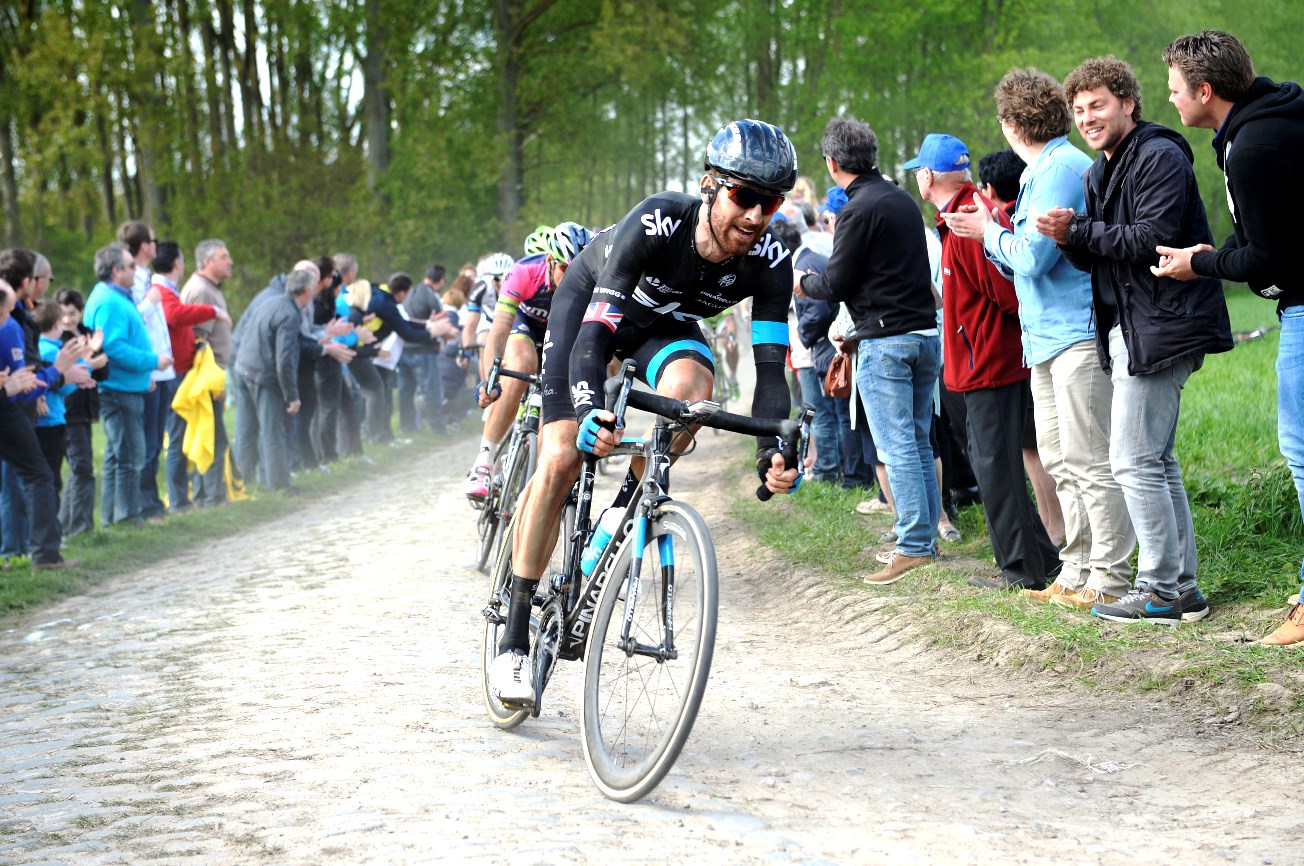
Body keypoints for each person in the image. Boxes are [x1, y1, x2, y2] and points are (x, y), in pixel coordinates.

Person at [487, 119, 801, 707]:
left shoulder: (773, 257)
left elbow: (769, 367)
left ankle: (624, 509)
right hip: (590, 311)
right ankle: (515, 638)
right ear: (710, 186)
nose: (758, 216)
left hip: (663, 323)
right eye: (745, 197)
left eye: (772, 201)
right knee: (559, 456)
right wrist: (587, 411)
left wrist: (771, 450)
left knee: (694, 394)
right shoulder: (657, 220)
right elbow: (591, 340)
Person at [1038, 55, 1232, 624]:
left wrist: (1078, 230)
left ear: (1127, 102)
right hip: (1131, 326)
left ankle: (1160, 590)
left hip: (1164, 323)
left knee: (1132, 460)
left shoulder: (1160, 154)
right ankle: (1181, 589)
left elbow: (1151, 240)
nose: (1088, 118)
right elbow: (1101, 253)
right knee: (1155, 460)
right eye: (1078, 110)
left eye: (1098, 104)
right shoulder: (1101, 171)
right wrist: (1069, 238)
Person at [943, 66, 1135, 612]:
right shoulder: (1040, 171)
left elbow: (1031, 257)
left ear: (1010, 123)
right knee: (1057, 458)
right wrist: (1001, 235)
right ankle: (1075, 569)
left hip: (1073, 334)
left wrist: (990, 234)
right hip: (1044, 340)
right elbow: (1022, 261)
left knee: (1088, 459)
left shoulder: (1058, 169)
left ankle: (1111, 576)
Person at [1150, 30, 1304, 641]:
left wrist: (1200, 264)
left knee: (1301, 451)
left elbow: (1266, 258)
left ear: (1205, 91)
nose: (1172, 103)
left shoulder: (1254, 147)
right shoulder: (1277, 119)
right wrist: (1217, 252)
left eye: (1174, 91)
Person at [795, 117, 941, 586]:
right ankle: (922, 538)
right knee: (917, 442)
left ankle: (914, 546)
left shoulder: (858, 209)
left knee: (897, 445)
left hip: (885, 341)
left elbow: (836, 282)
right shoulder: (900, 198)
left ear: (832, 163)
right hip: (924, 335)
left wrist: (800, 283)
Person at [911, 133, 1059, 592]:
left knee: (997, 469)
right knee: (994, 466)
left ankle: (1022, 571)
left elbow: (1009, 295)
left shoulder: (969, 220)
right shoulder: (960, 215)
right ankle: (1041, 560)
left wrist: (982, 346)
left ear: (927, 176)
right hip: (982, 364)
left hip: (990, 367)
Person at [466, 223, 593, 500]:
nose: (572, 276)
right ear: (550, 260)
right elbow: (499, 327)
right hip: (523, 326)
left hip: (557, 331)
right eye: (565, 268)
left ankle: (537, 485)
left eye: (578, 269)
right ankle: (484, 462)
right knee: (523, 363)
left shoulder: (590, 280)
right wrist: (492, 377)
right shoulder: (524, 272)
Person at [84, 243, 173, 527]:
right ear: (116, 270)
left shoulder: (114, 297)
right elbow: (113, 347)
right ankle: (126, 518)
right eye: (131, 266)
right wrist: (151, 362)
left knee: (117, 456)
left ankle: (113, 519)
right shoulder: (110, 302)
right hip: (118, 390)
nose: (136, 270)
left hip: (125, 385)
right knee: (130, 456)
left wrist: (142, 374)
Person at [151, 241, 230, 512]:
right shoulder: (163, 291)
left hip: (184, 371)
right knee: (177, 439)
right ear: (177, 263)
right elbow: (174, 315)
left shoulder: (168, 290)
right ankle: (180, 501)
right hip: (177, 374)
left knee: (191, 435)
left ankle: (193, 497)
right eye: (224, 256)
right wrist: (214, 312)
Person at [233, 268, 319, 492]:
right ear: (308, 290)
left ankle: (243, 484)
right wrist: (292, 396)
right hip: (261, 375)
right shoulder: (291, 314)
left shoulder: (272, 301)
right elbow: (285, 360)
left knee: (246, 430)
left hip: (242, 369)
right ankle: (280, 486)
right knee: (274, 431)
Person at [117, 221, 174, 520]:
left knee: (156, 439)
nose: (156, 244)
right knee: (148, 441)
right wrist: (151, 303)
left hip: (162, 367)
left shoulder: (147, 277)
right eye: (153, 240)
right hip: (150, 370)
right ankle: (146, 503)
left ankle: (151, 500)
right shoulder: (132, 281)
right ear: (144, 246)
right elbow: (132, 323)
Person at [180, 239, 234, 507]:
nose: (230, 262)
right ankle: (212, 498)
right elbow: (198, 342)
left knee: (212, 436)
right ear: (207, 262)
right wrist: (212, 382)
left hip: (213, 377)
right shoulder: (201, 291)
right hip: (205, 379)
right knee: (213, 438)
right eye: (224, 257)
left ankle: (205, 496)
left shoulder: (210, 288)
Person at [55, 288, 106, 537]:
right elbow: (66, 372)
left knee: (81, 468)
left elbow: (103, 371)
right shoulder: (60, 339)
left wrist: (93, 354)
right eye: (63, 314)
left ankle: (68, 525)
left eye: (72, 313)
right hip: (68, 410)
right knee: (81, 468)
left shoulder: (88, 333)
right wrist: (88, 361)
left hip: (87, 408)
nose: (68, 320)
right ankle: (80, 527)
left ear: (80, 311)